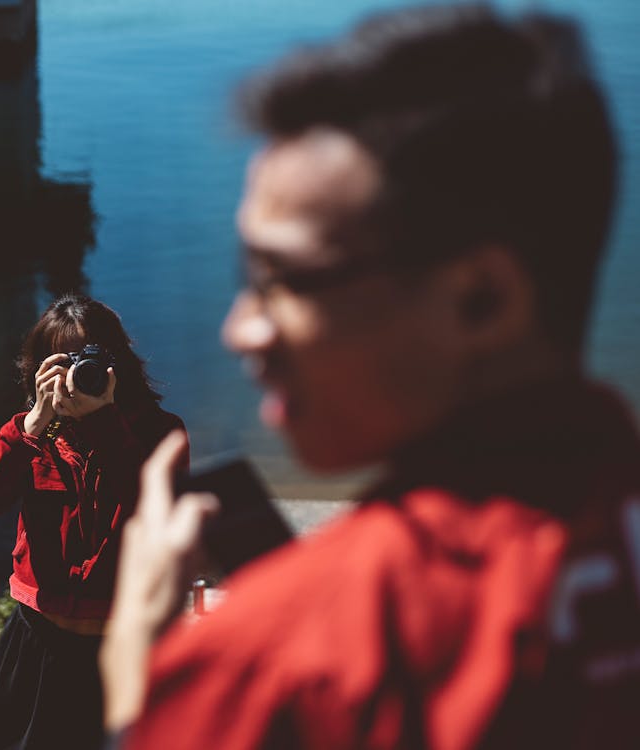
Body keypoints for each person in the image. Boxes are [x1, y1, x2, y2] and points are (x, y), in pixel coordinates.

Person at [101, 4, 640, 748]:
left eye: (279, 279)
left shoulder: (280, 660)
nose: (239, 329)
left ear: (481, 300)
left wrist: (141, 680)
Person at [0, 294, 186, 750]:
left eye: (93, 360)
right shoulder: (32, 434)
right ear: (39, 370)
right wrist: (32, 425)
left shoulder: (159, 431)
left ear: (117, 363)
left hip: (118, 641)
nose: (80, 376)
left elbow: (157, 511)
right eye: (63, 362)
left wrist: (104, 422)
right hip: (37, 636)